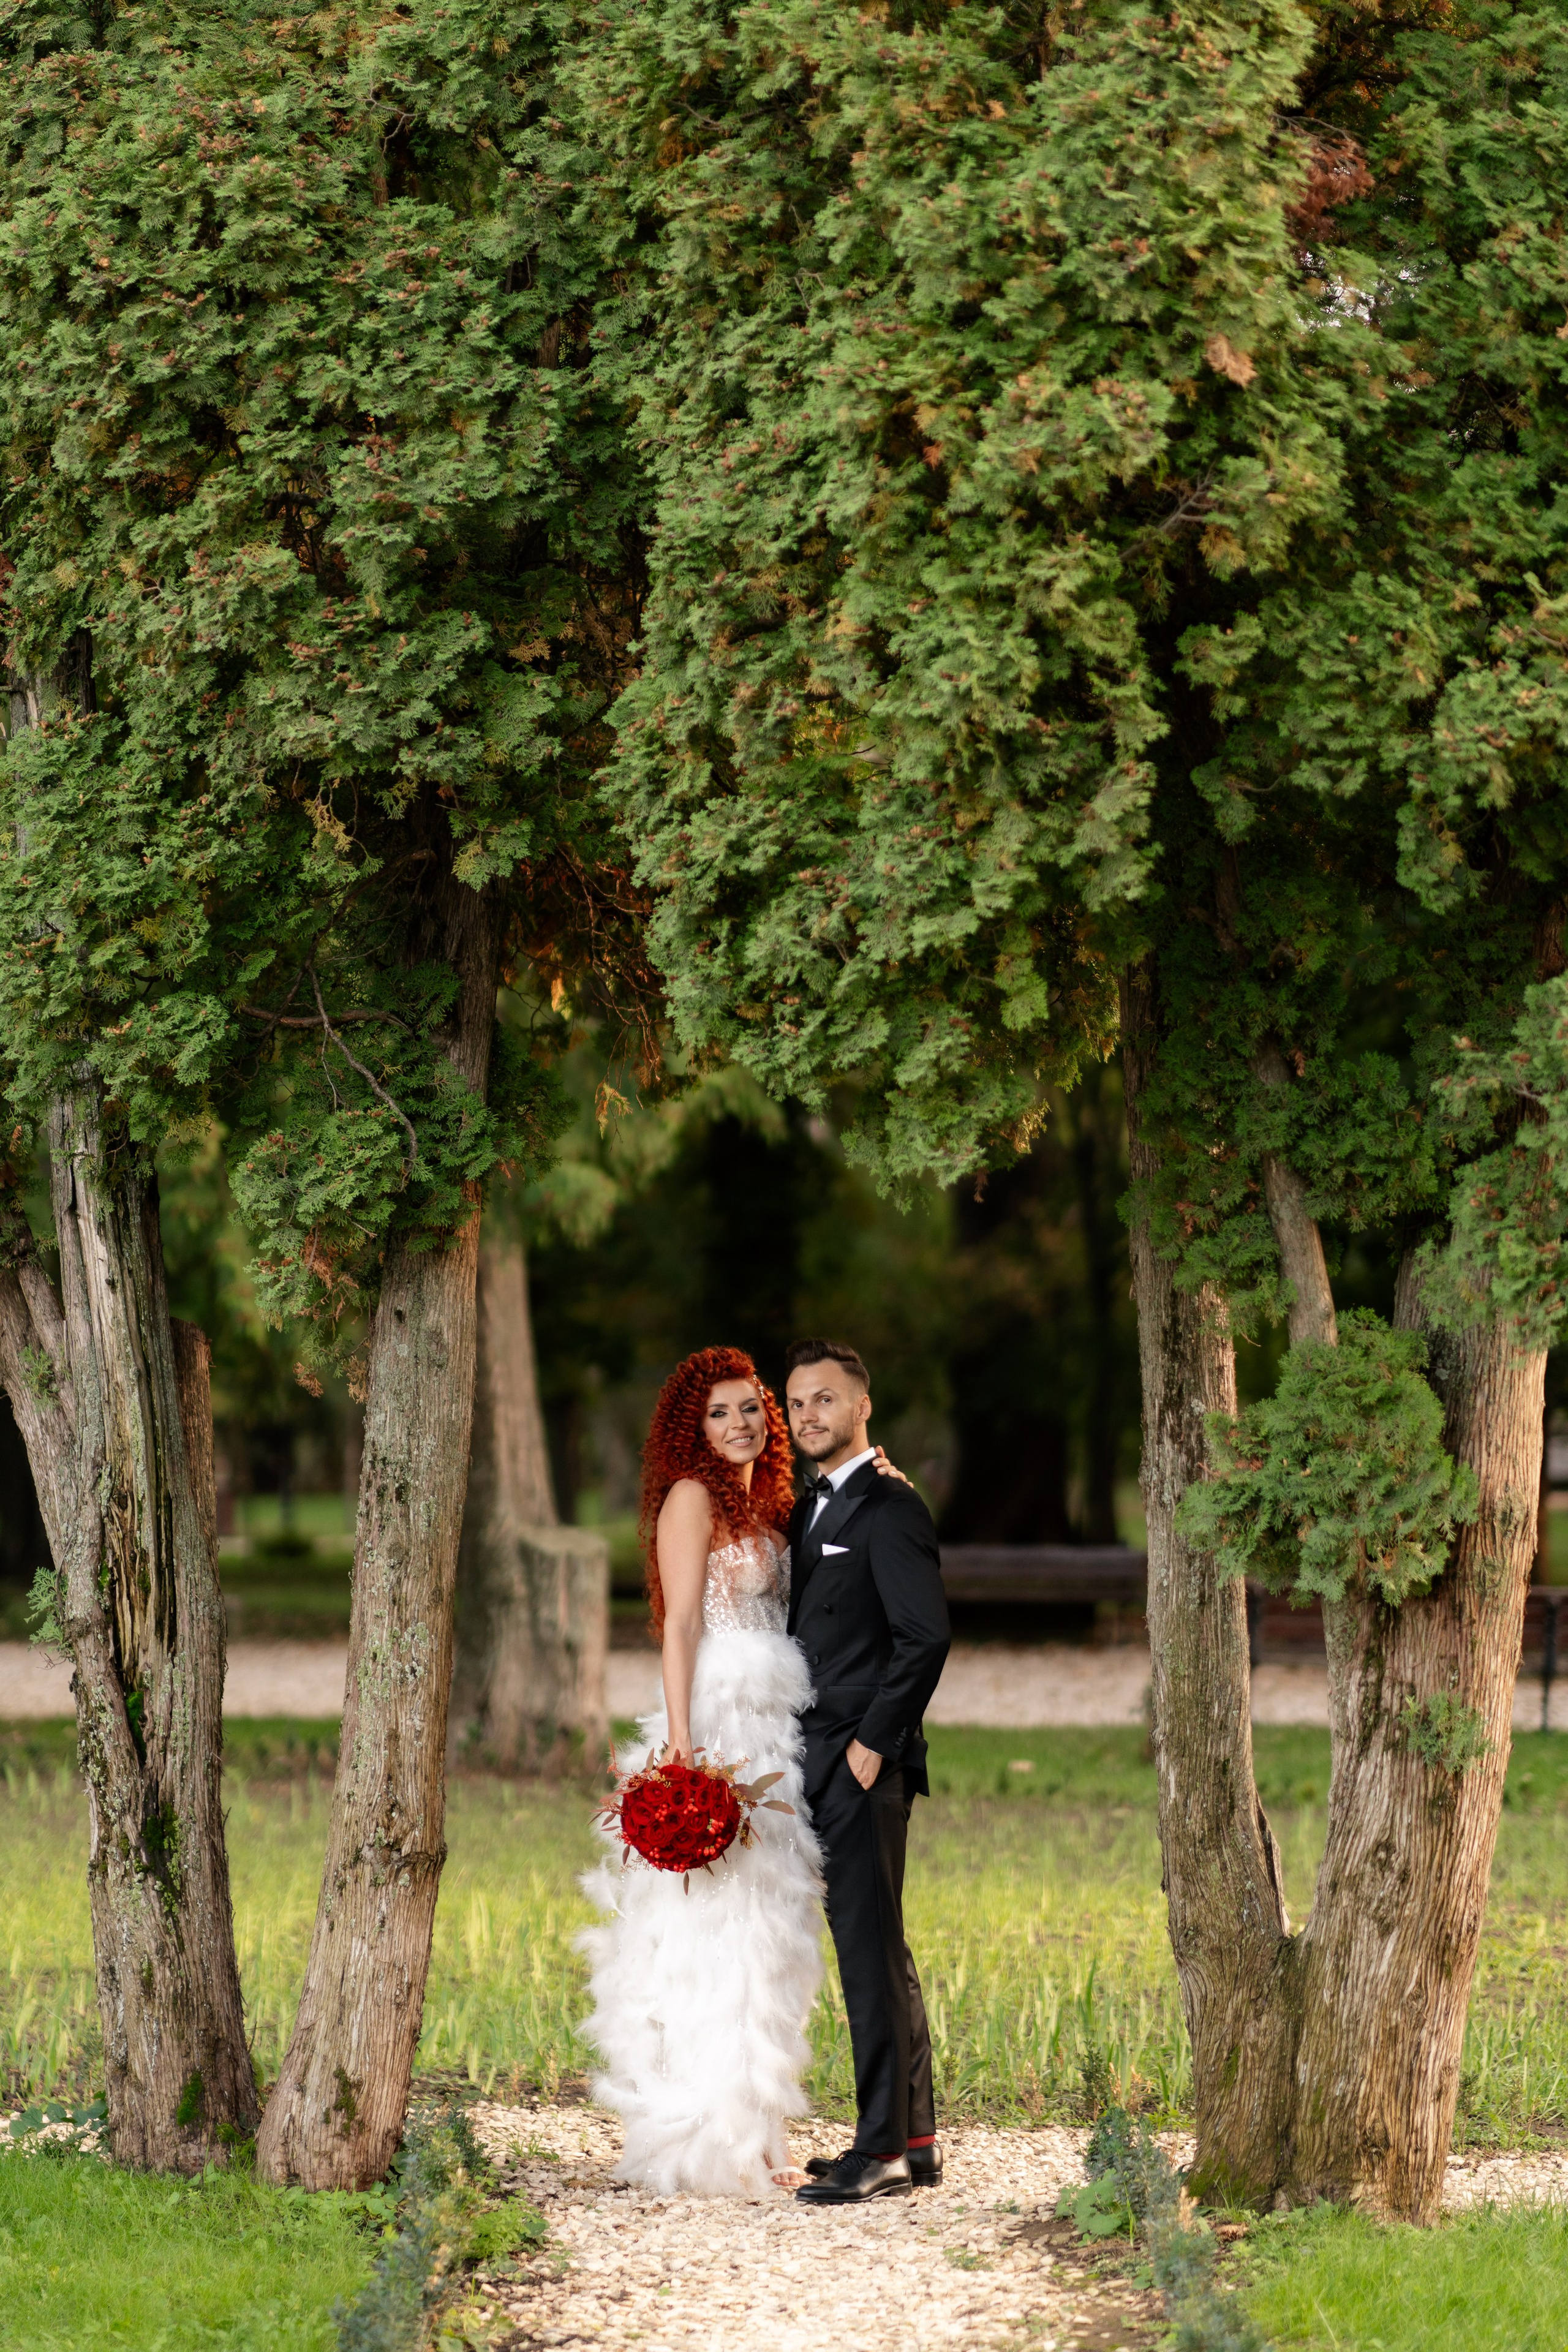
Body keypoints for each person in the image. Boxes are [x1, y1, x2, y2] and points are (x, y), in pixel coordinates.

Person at [579, 1346, 909, 2198]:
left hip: (782, 1726)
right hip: (722, 1720)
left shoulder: (776, 1501)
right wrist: (683, 1746)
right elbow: (681, 1624)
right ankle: (713, 2139)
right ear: (692, 1428)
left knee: (770, 1930)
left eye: (751, 1408)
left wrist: (884, 1484)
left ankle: (760, 2131)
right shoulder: (692, 1499)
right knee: (717, 1926)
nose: (740, 1425)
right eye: (719, 1414)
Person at [785, 1338, 951, 2207]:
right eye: (796, 1403)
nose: (808, 1414)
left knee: (866, 1953)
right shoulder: (807, 1509)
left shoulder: (891, 1507)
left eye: (825, 1399)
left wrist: (874, 1744)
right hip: (814, 1755)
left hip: (860, 1761)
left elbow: (926, 1638)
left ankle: (879, 2149)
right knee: (881, 1946)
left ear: (862, 1407)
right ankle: (914, 2141)